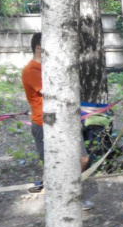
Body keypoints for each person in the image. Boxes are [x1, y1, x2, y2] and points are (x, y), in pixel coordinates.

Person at [22, 33, 92, 209]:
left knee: (83, 158)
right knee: (56, 164)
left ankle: (68, 191)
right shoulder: (31, 70)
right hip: (45, 119)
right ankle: (67, 199)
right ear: (38, 48)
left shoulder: (51, 67)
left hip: (64, 116)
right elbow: (53, 94)